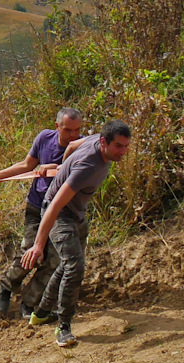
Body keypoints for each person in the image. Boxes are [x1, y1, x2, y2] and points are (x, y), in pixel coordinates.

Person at [18, 120, 133, 348]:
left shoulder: (94, 142)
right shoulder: (87, 166)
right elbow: (54, 205)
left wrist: (64, 165)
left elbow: (71, 148)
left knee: (67, 264)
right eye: (119, 146)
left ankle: (41, 312)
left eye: (126, 146)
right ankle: (64, 327)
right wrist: (38, 245)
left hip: (77, 213)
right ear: (104, 142)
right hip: (61, 214)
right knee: (75, 266)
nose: (123, 152)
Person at [0, 107, 83, 319]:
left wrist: (56, 166)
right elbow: (27, 165)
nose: (73, 135)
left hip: (63, 213)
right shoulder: (45, 138)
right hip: (37, 207)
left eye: (77, 130)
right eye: (68, 130)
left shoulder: (82, 148)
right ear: (57, 127)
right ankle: (7, 286)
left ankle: (29, 303)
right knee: (31, 252)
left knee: (54, 262)